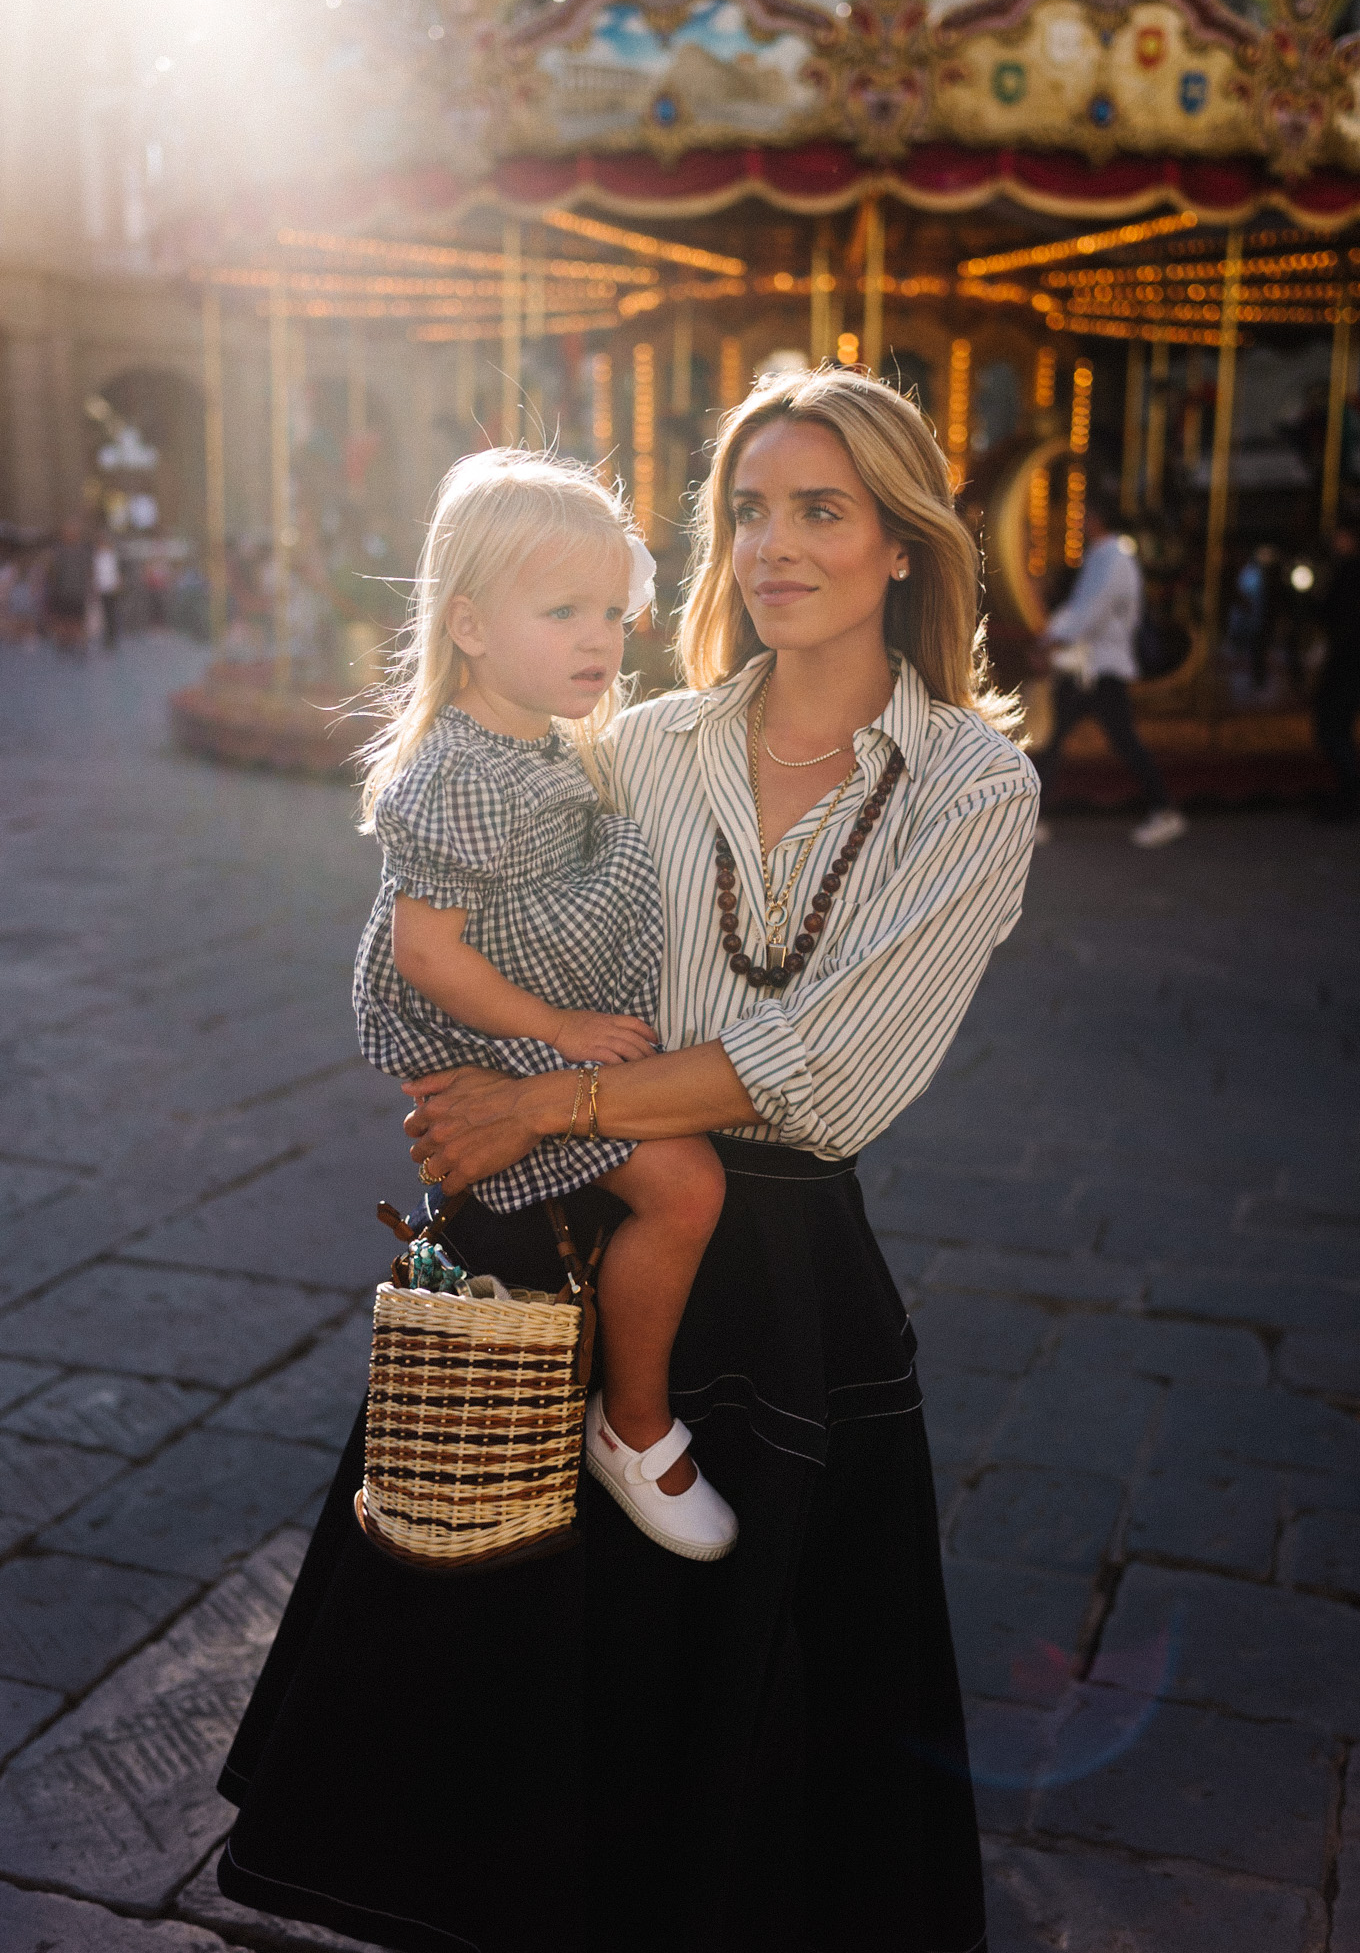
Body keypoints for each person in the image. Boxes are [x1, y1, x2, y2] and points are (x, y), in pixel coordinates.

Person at [216, 366, 1039, 1953]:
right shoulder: (633, 744)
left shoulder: (970, 788)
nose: (776, 545)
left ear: (904, 546)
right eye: (748, 511)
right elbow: (453, 907)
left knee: (743, 1714)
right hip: (559, 1239)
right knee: (509, 1687)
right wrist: (476, 1069)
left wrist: (540, 1106)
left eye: (823, 510)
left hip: (776, 1266)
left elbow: (835, 1071)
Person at [353, 449, 733, 1557]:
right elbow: (427, 954)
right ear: (468, 625)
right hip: (490, 1034)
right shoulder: (460, 774)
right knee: (687, 1189)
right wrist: (562, 1032)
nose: (599, 639)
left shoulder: (535, 743)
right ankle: (635, 1422)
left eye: (613, 611)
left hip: (521, 1021)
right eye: (562, 610)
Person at [1030, 477, 1188, 848]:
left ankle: (1164, 810)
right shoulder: (1107, 556)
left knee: (1064, 740)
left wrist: (1051, 639)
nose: (1081, 522)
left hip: (1098, 668)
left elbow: (1090, 610)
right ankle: (1163, 810)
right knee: (1067, 740)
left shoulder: (1112, 557)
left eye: (1084, 515)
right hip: (1095, 667)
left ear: (1098, 518)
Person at [1314, 519, 1360, 821]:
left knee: (1333, 729)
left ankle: (1351, 796)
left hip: (1348, 661)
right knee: (1335, 729)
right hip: (1346, 660)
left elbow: (1335, 613)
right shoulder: (1343, 570)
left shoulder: (1349, 572)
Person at [43, 518, 94, 653]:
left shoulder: (84, 551)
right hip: (62, 592)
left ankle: (80, 646)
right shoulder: (58, 551)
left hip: (78, 592)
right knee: (63, 620)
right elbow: (52, 572)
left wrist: (90, 589)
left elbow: (89, 572)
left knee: (78, 621)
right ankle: (64, 645)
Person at [93, 535, 122, 647]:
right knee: (104, 614)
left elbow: (116, 572)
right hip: (102, 588)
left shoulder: (112, 556)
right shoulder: (97, 557)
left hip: (111, 588)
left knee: (112, 613)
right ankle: (106, 637)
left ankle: (112, 637)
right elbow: (95, 573)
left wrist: (117, 583)